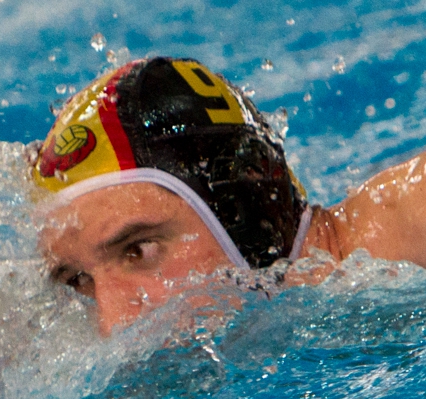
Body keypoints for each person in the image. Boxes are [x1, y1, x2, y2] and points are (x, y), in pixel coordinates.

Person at [31, 56, 426, 336]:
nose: (112, 322)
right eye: (79, 279)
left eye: (140, 250)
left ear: (245, 211)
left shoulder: (404, 225)